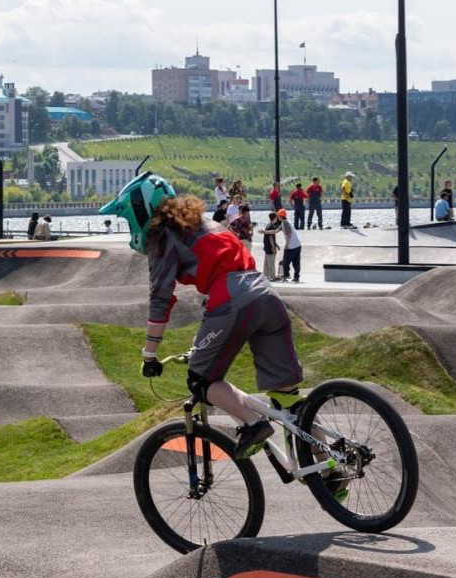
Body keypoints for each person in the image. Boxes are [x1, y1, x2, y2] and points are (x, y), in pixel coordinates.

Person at [99, 173, 306, 460]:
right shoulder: (205, 223)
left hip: (231, 299)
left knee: (201, 380)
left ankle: (254, 424)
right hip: (265, 292)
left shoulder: (163, 237)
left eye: (127, 219)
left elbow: (160, 298)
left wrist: (150, 354)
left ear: (141, 209)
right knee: (289, 399)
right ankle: (333, 468)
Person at [259, 210, 284, 281]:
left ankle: (266, 275)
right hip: (270, 247)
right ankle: (272, 276)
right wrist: (273, 247)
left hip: (266, 246)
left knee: (266, 262)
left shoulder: (268, 225)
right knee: (271, 262)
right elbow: (270, 237)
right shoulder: (272, 226)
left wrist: (277, 245)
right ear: (275, 218)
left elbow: (271, 237)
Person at [280, 208, 302, 283]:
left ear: (279, 216)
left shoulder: (284, 223)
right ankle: (296, 277)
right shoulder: (287, 221)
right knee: (296, 262)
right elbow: (276, 230)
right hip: (298, 244)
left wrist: (286, 245)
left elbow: (289, 234)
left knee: (286, 261)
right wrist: (265, 232)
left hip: (291, 246)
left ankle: (286, 274)